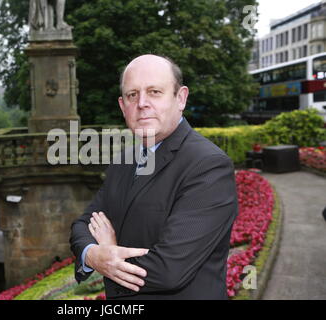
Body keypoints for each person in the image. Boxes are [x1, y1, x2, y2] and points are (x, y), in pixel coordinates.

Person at [69, 54, 238, 299]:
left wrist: (109, 252)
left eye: (155, 92)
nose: (142, 103)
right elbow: (82, 225)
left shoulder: (208, 166)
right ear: (122, 105)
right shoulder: (124, 161)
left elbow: (169, 269)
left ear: (180, 98)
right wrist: (94, 255)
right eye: (132, 95)